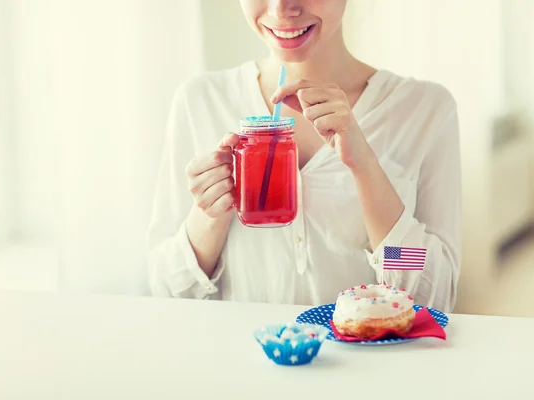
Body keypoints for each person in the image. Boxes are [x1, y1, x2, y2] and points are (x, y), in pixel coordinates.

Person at [146, 0, 461, 312]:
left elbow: (436, 295)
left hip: (370, 362)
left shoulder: (425, 109)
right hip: (239, 360)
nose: (282, 9)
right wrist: (210, 214)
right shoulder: (200, 100)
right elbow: (167, 291)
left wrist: (365, 167)